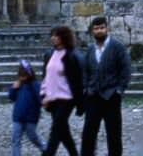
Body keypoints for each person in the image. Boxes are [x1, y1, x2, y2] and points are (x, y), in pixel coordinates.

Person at [81, 16, 132, 156]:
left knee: (113, 134)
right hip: (93, 96)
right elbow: (85, 70)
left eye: (102, 28)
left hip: (111, 97)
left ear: (107, 29)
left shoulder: (117, 47)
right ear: (92, 31)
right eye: (96, 29)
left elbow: (126, 69)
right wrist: (86, 88)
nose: (99, 31)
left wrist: (119, 89)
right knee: (88, 133)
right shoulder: (91, 49)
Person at [41, 26, 83, 156]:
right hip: (52, 99)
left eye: (56, 35)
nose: (53, 38)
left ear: (64, 37)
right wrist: (44, 95)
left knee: (56, 129)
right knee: (63, 130)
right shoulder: (49, 54)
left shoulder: (72, 56)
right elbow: (46, 77)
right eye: (52, 35)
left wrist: (80, 102)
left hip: (66, 98)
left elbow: (77, 80)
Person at [8, 59, 46, 156]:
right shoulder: (18, 85)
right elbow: (11, 97)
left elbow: (40, 99)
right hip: (18, 117)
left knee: (33, 137)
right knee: (15, 139)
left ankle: (45, 148)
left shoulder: (35, 85)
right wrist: (13, 88)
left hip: (31, 118)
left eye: (24, 75)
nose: (22, 78)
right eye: (21, 76)